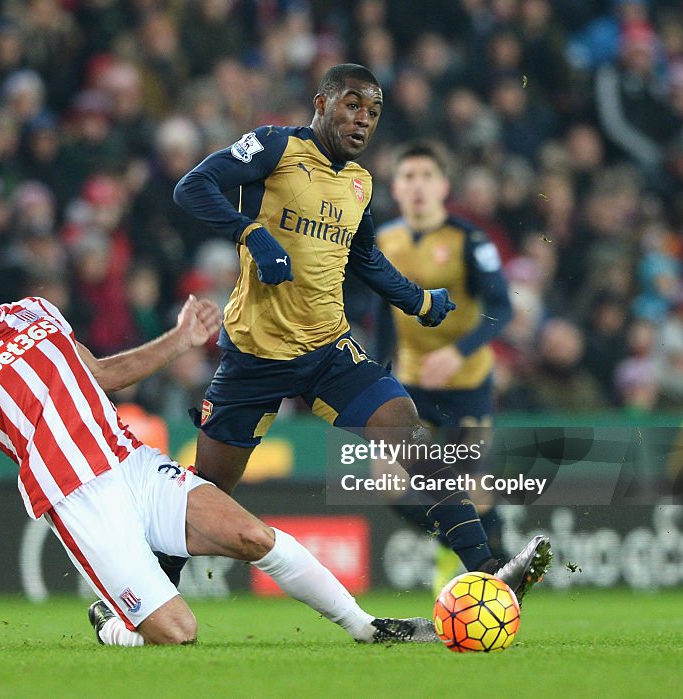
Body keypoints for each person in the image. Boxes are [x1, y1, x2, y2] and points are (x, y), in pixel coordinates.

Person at [0, 233, 439, 647]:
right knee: (180, 631)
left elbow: (98, 374)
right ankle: (114, 625)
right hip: (78, 497)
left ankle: (368, 627)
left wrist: (177, 342)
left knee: (255, 535)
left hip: (133, 463)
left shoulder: (38, 310)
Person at [173, 63, 550, 597]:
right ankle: (138, 598)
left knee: (407, 430)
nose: (363, 120)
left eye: (373, 112)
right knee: (210, 491)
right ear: (321, 103)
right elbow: (193, 186)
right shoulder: (274, 148)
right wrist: (252, 233)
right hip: (255, 355)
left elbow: (366, 259)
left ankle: (489, 573)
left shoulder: (360, 183)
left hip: (328, 349)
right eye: (352, 105)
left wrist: (417, 300)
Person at [375, 140, 513, 592]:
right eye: (409, 176)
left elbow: (501, 308)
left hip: (466, 382)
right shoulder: (383, 241)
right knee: (387, 479)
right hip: (411, 383)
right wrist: (379, 369)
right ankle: (467, 542)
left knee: (475, 487)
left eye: (427, 176)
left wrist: (458, 352)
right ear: (395, 188)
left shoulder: (468, 240)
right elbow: (381, 312)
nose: (418, 185)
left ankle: (497, 560)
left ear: (444, 186)